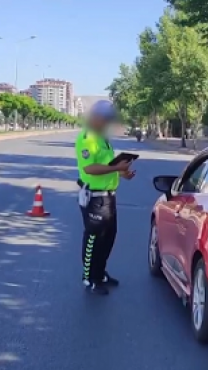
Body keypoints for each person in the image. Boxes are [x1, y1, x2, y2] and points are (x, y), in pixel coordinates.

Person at [75, 100, 135, 295]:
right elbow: (90, 168)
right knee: (94, 238)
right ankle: (89, 278)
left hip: (109, 198)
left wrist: (122, 172)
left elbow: (107, 166)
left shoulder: (103, 139)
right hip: (94, 198)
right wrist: (117, 167)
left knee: (108, 238)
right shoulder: (88, 138)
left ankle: (100, 273)